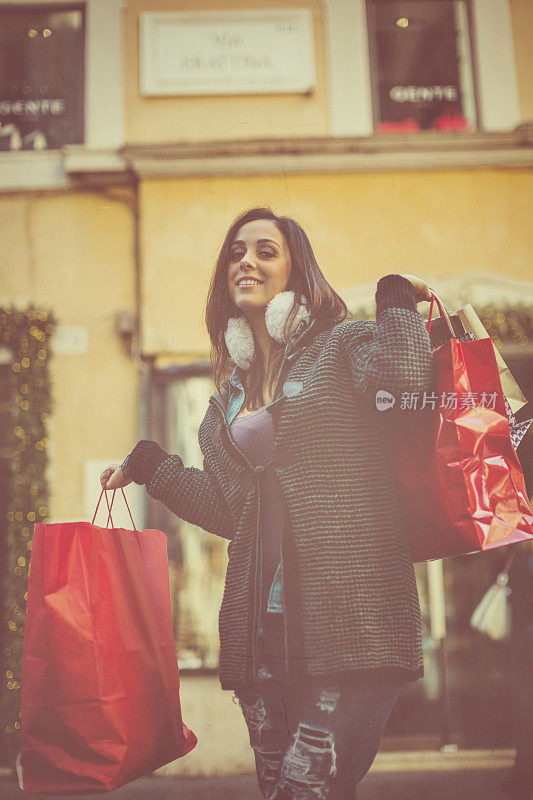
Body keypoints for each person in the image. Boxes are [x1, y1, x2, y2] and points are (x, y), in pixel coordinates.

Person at [100, 207, 433, 799]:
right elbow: (230, 512)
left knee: (310, 791)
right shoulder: (226, 402)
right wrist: (153, 466)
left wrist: (395, 296)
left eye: (265, 250)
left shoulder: (341, 345)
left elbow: (403, 384)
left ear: (297, 277)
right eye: (235, 252)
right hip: (262, 635)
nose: (246, 261)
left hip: (348, 623)